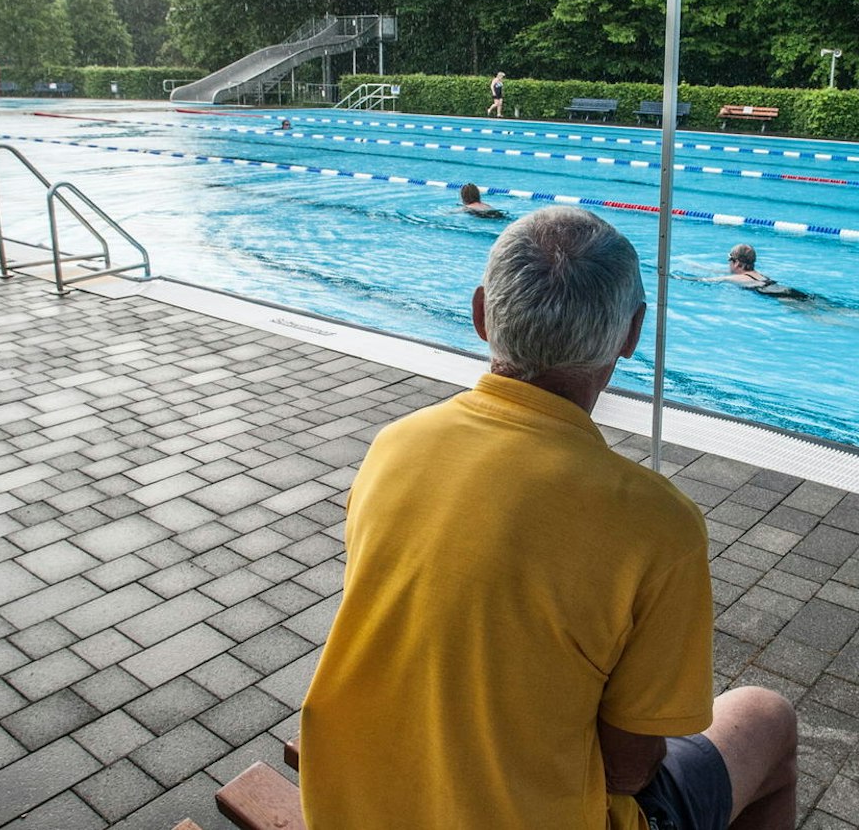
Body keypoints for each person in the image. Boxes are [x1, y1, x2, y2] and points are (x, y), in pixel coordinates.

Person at [300, 206, 798, 829]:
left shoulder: (395, 444)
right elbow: (628, 768)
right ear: (631, 333)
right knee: (767, 717)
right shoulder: (658, 526)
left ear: (481, 314)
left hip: (347, 804)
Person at [711, 243, 809, 300]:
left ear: (736, 263)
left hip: (782, 297)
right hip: (788, 291)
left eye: (729, 260)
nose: (728, 263)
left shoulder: (735, 278)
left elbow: (707, 281)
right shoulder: (759, 275)